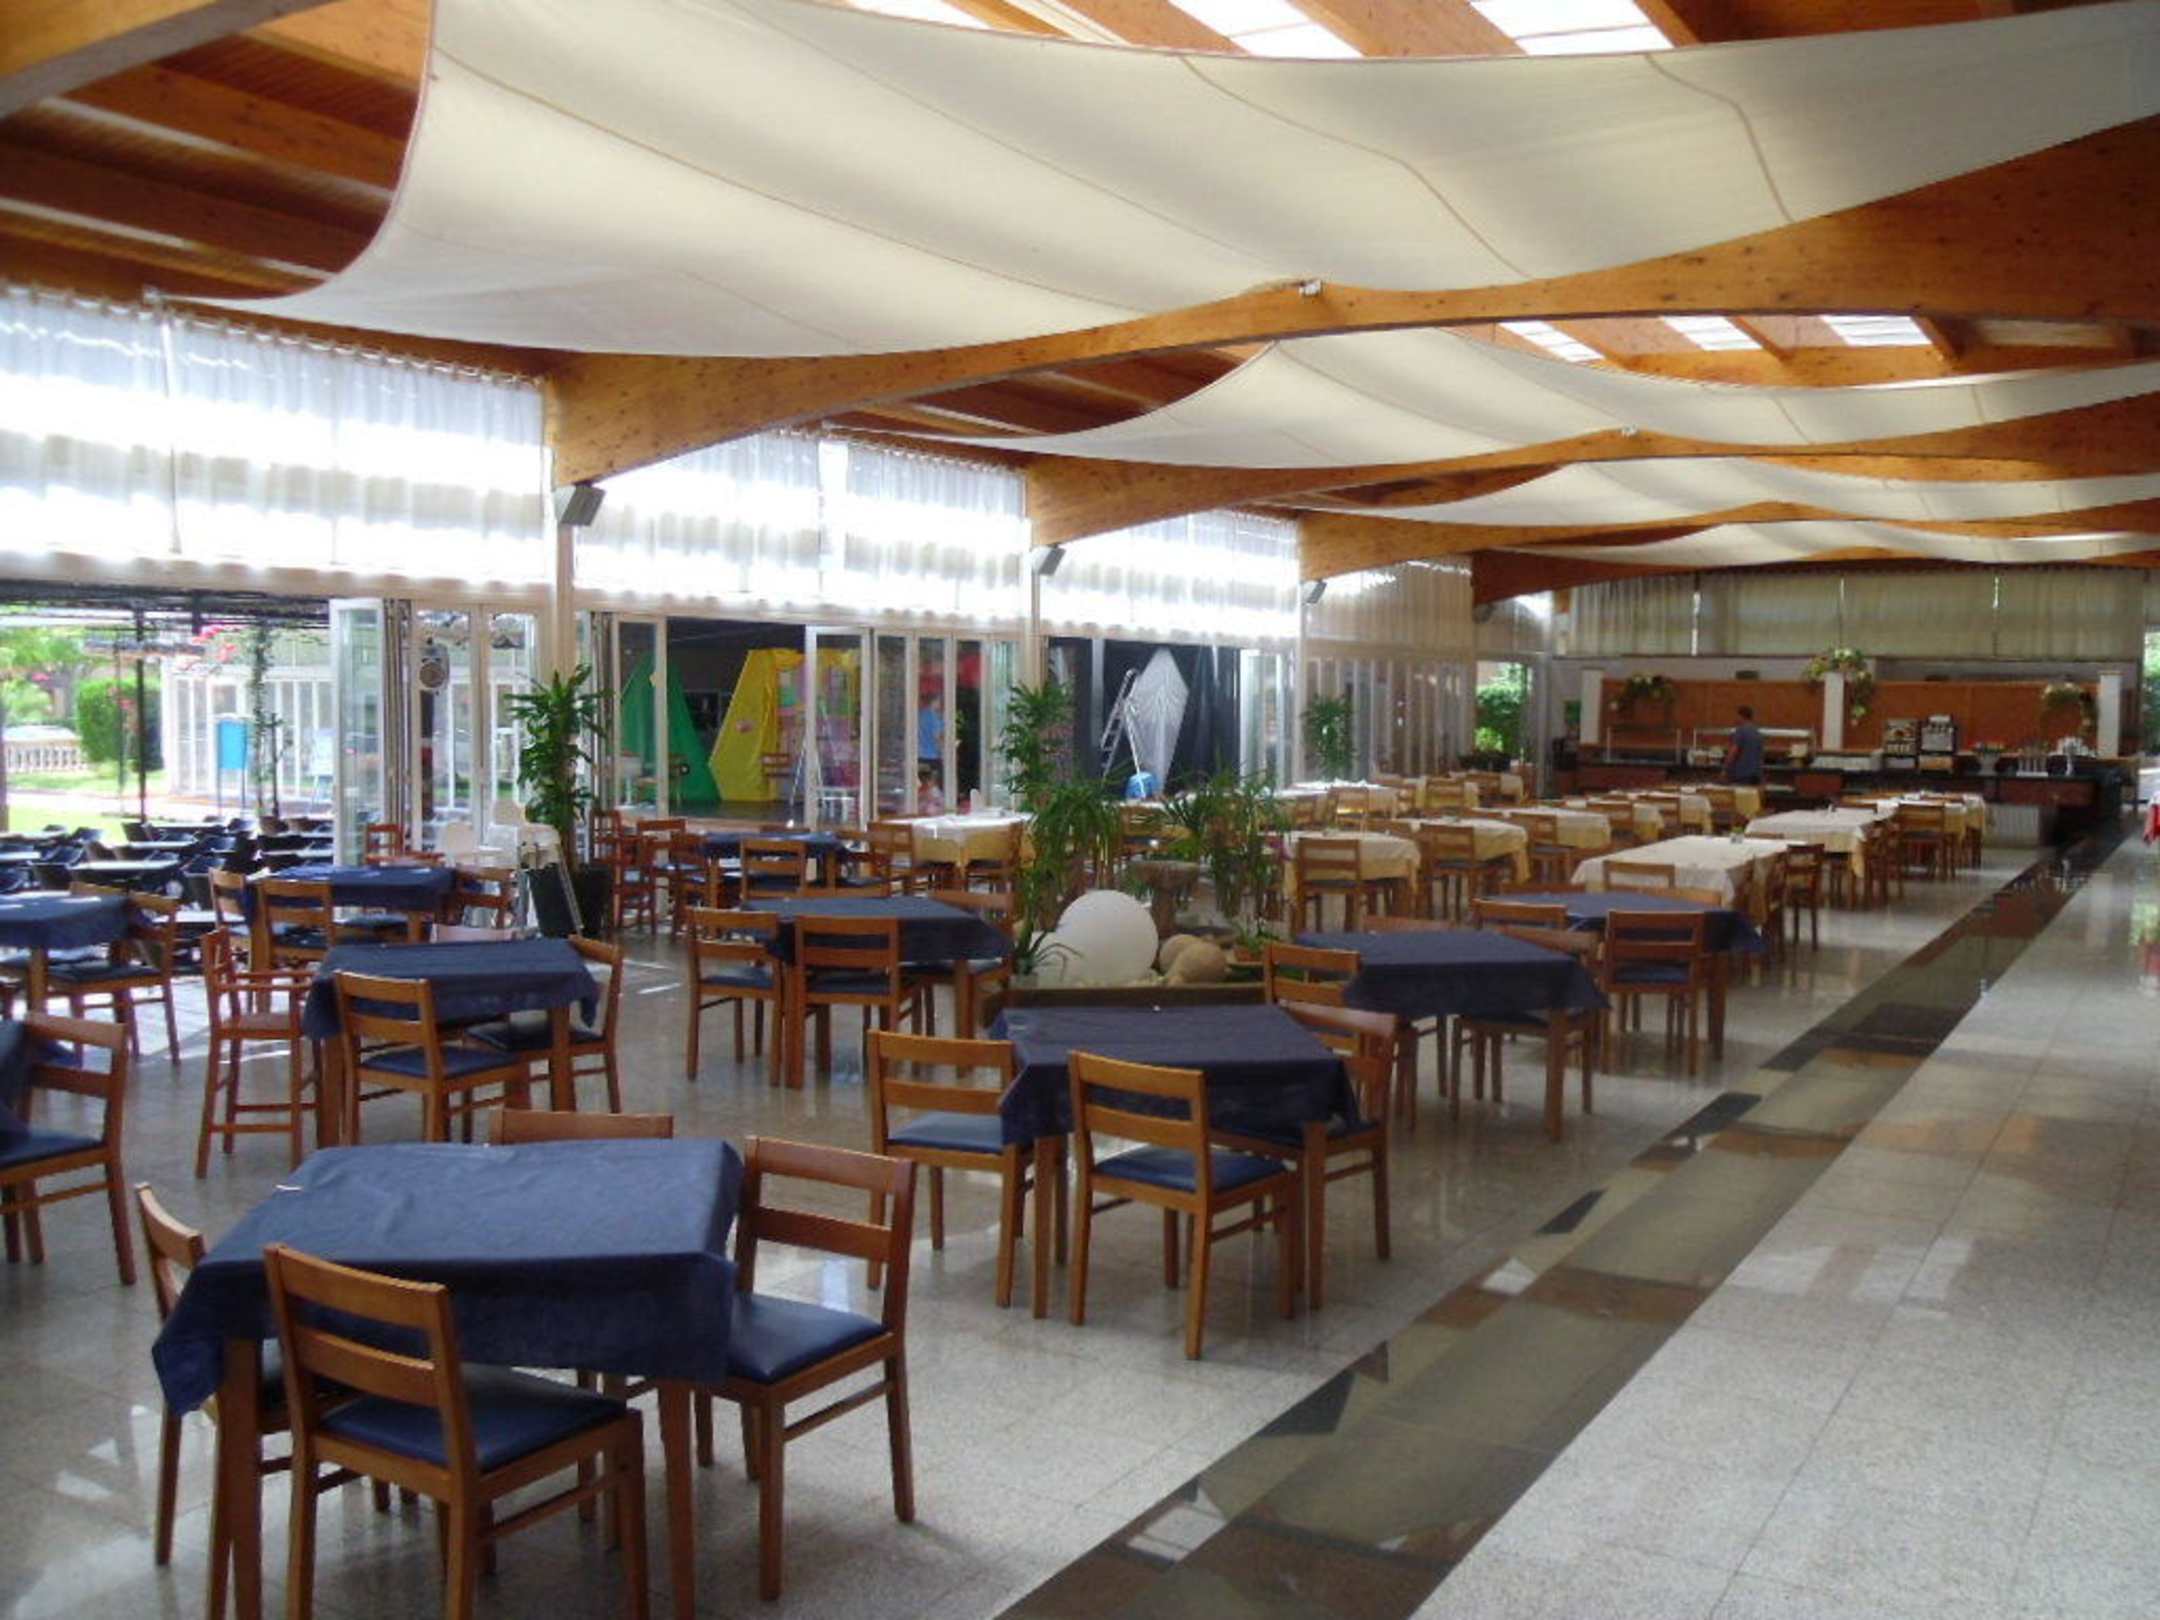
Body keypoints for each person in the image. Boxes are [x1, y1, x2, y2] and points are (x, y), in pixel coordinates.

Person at [1724, 705, 1765, 785]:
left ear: (1741, 716)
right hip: (1755, 775)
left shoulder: (1740, 731)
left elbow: (1733, 752)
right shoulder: (1757, 733)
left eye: (1737, 716)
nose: (1735, 719)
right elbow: (1761, 756)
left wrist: (1725, 770)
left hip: (1741, 775)